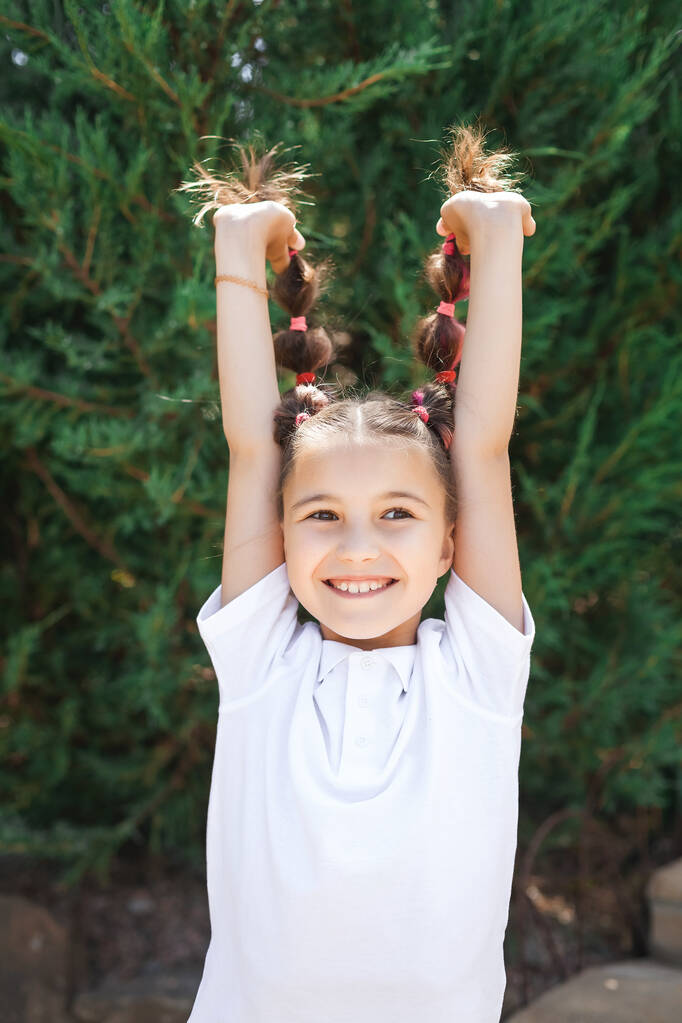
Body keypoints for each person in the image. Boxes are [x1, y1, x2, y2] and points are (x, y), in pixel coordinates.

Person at [180, 124, 538, 1023]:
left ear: (452, 544)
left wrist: (494, 244)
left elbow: (484, 447)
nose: (357, 547)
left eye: (398, 515)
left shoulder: (478, 675)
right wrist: (236, 250)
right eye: (322, 516)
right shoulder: (261, 661)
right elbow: (247, 448)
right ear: (284, 533)